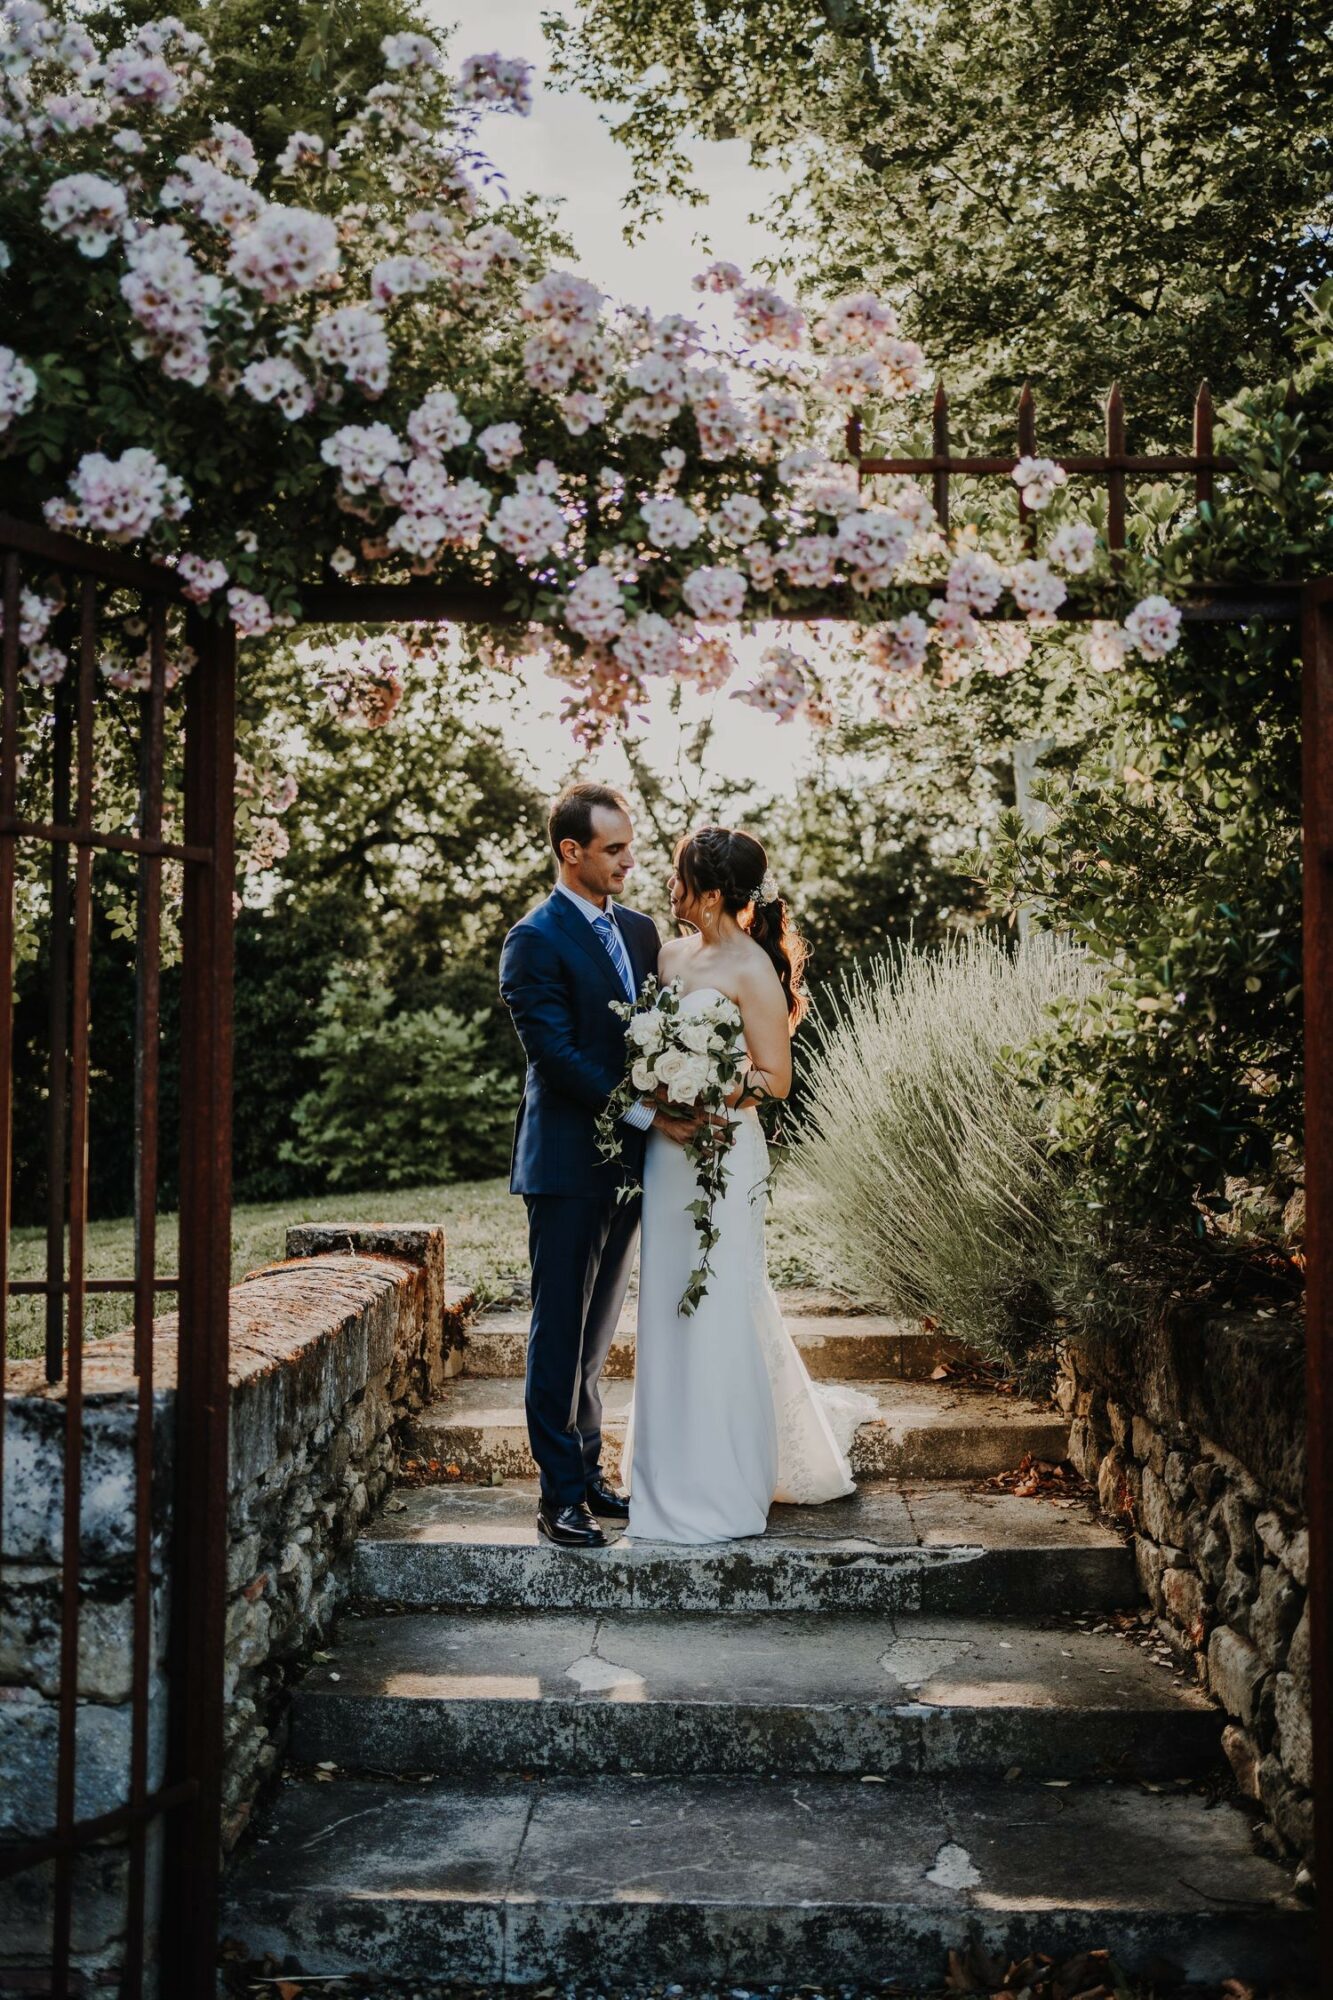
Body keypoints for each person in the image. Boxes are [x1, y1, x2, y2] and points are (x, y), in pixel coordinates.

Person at [622, 825, 875, 1544]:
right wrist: (660, 1092)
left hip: (723, 1158)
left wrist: (706, 1090)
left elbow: (775, 1080)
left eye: (677, 878)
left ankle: (723, 1483)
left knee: (718, 1304)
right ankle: (662, 1474)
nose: (667, 888)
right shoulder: (668, 956)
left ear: (705, 894)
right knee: (671, 1305)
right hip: (667, 1158)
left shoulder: (753, 971)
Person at [498, 782, 700, 1550]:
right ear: (570, 851)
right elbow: (556, 1057)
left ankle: (586, 1474)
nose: (628, 861)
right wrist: (649, 1114)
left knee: (596, 1332)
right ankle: (557, 1500)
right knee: (558, 1332)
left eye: (630, 846)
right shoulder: (534, 938)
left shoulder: (643, 932)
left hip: (629, 1166)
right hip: (563, 1164)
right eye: (612, 849)